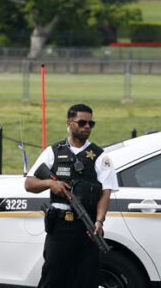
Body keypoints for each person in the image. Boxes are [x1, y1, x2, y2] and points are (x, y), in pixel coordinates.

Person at [25, 103, 118, 288]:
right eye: (82, 122)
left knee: (86, 279)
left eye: (91, 124)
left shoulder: (100, 157)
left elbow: (106, 193)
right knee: (53, 279)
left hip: (88, 228)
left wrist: (99, 222)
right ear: (69, 123)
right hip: (60, 227)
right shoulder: (53, 151)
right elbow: (29, 183)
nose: (86, 127)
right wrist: (50, 184)